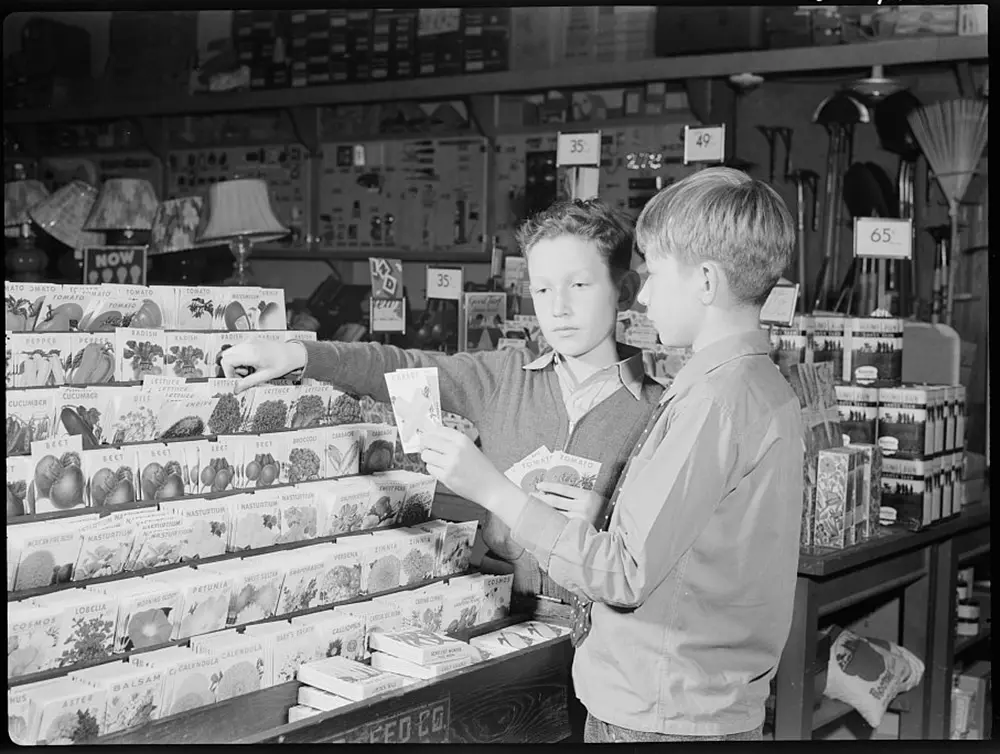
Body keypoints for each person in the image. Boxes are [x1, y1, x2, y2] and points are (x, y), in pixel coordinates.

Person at [417, 168, 805, 743]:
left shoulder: (709, 403)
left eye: (653, 274)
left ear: (703, 281)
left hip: (659, 709)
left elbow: (622, 574)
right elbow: (702, 543)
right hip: (708, 698)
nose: (642, 295)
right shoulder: (760, 386)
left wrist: (493, 490)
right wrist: (608, 509)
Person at [219, 198, 664, 605]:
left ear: (624, 292)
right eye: (543, 290)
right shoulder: (503, 377)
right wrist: (299, 354)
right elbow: (395, 363)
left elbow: (666, 561)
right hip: (501, 619)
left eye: (580, 285)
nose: (559, 308)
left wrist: (608, 519)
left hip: (602, 640)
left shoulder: (663, 412)